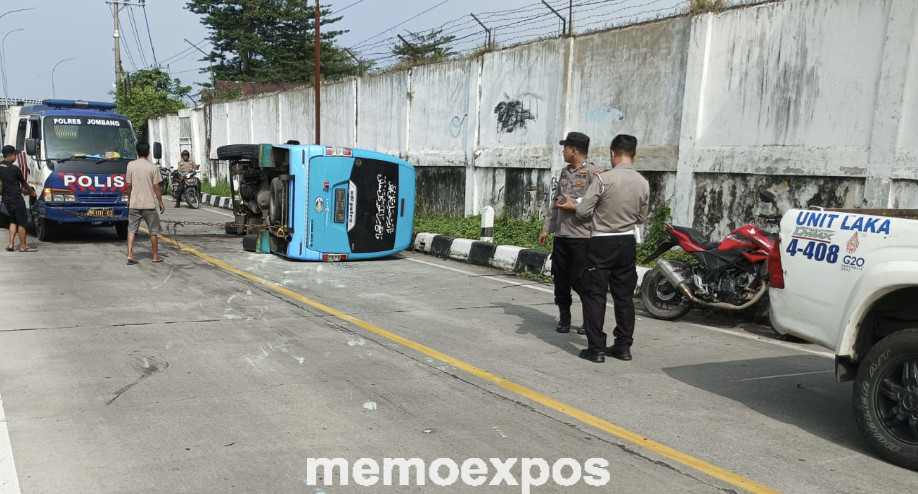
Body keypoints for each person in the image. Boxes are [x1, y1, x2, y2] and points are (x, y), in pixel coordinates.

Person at [558, 134, 649, 363]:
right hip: (627, 242)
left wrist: (583, 207)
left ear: (612, 153)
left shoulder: (603, 180)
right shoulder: (643, 182)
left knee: (594, 295)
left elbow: (582, 210)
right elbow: (641, 217)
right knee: (624, 296)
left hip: (601, 243)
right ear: (635, 155)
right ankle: (623, 346)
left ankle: (596, 348)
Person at [538, 132, 602, 334]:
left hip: (582, 237)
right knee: (561, 279)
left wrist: (573, 205)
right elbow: (556, 203)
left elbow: (598, 205)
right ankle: (564, 317)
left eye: (565, 147)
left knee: (581, 280)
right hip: (562, 236)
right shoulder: (565, 173)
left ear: (574, 150)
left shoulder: (593, 174)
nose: (563, 151)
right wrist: (547, 228)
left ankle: (587, 320)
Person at [124, 142, 166, 264]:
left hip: (134, 203)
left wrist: (128, 199)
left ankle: (130, 255)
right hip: (149, 205)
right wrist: (160, 202)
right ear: (148, 153)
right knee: (153, 231)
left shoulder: (130, 165)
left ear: (136, 152)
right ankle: (155, 256)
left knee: (131, 229)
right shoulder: (153, 167)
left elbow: (129, 185)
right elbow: (157, 187)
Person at [0, 145, 38, 252]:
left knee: (12, 220)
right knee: (22, 222)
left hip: (6, 199)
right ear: (10, 155)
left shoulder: (0, 167)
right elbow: (24, 184)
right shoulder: (14, 169)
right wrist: (32, 193)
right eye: (15, 154)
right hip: (16, 199)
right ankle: (23, 246)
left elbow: (8, 184)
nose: (16, 156)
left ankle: (11, 244)